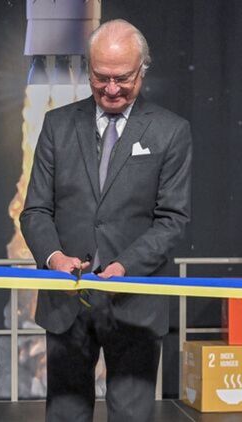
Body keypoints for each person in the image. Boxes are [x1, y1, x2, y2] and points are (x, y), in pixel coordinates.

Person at [21, 19, 192, 422]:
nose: (112, 89)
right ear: (88, 70)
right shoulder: (57, 125)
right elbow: (36, 210)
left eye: (122, 78)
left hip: (135, 300)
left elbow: (172, 219)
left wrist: (125, 266)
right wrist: (54, 258)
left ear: (142, 71)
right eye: (101, 77)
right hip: (67, 300)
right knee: (65, 415)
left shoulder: (171, 131)